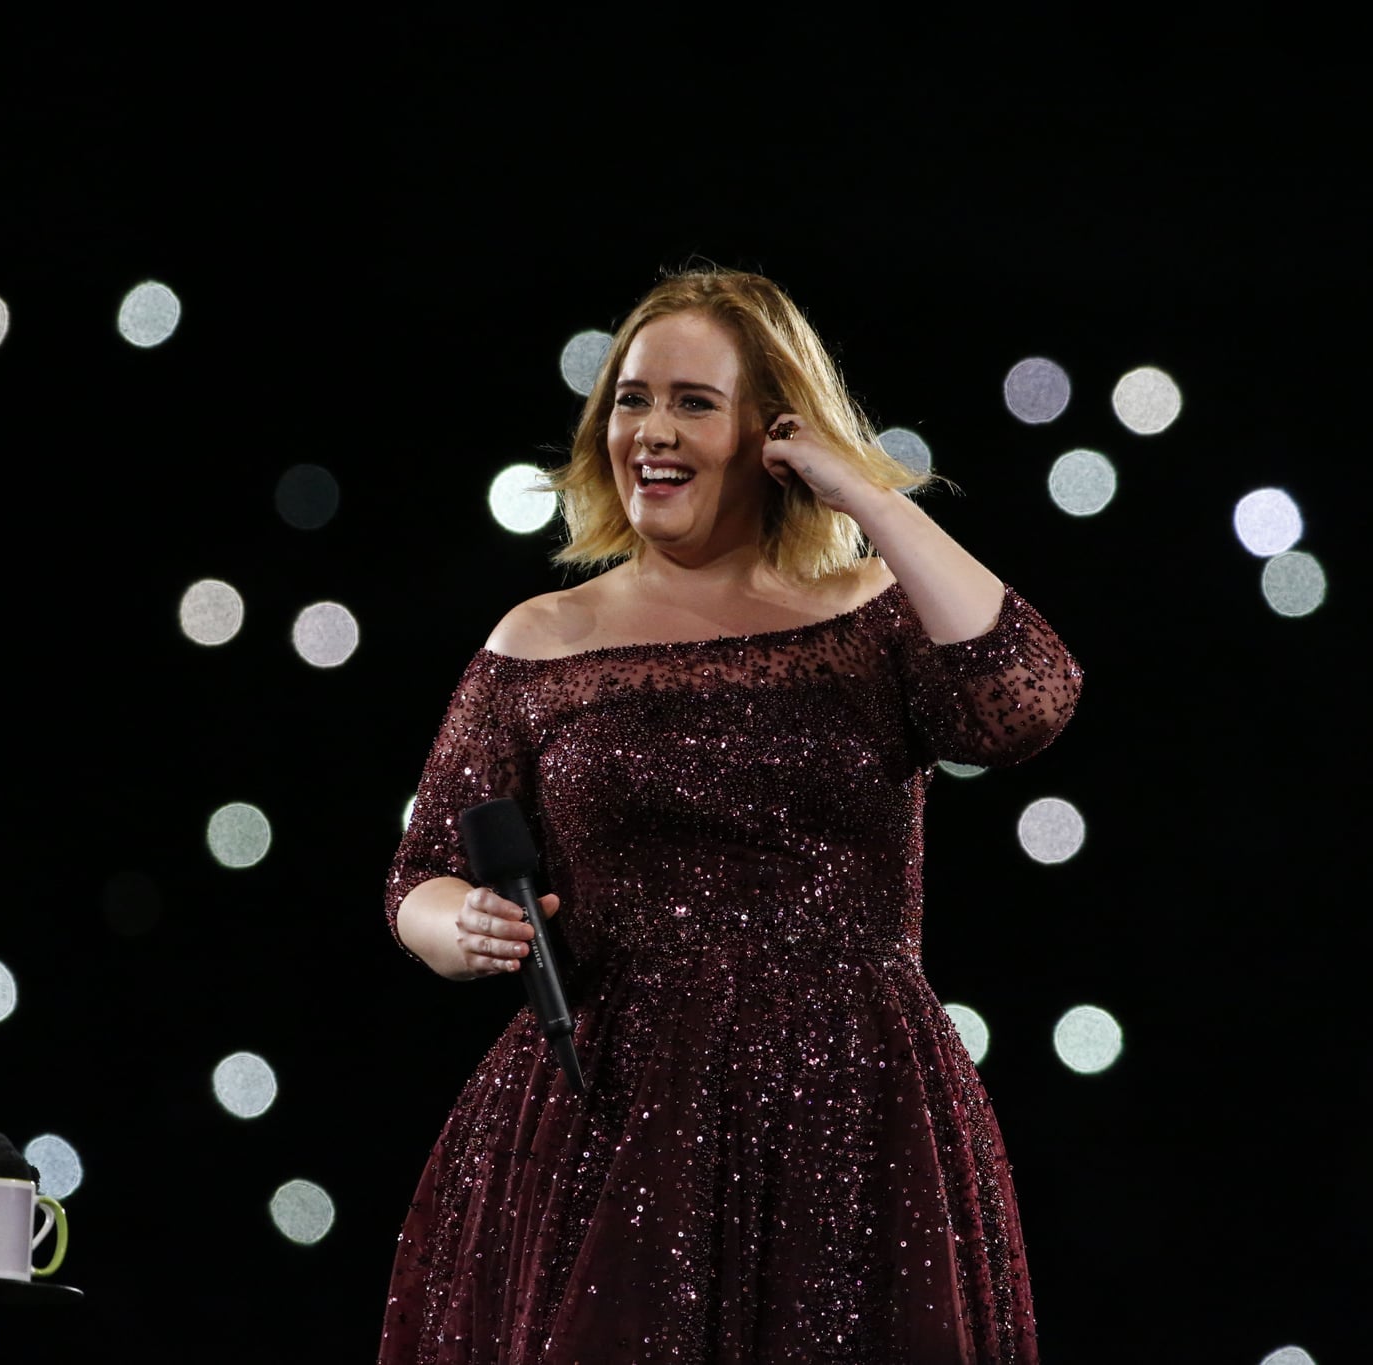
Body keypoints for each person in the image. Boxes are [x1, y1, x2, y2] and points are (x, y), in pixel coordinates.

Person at [380, 266, 1081, 1364]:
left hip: (851, 1114)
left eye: (693, 402)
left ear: (773, 430)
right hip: (606, 1114)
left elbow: (1024, 700)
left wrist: (864, 495)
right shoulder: (539, 638)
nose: (650, 430)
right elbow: (415, 875)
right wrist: (457, 925)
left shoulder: (867, 616)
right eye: (630, 398)